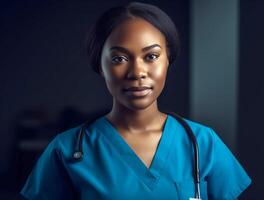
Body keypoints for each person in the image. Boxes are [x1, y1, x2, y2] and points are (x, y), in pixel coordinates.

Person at [20, 2, 251, 200]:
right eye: (119, 58)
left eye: (151, 56)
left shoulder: (202, 143)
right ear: (100, 66)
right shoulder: (66, 150)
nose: (137, 72)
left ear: (168, 60)